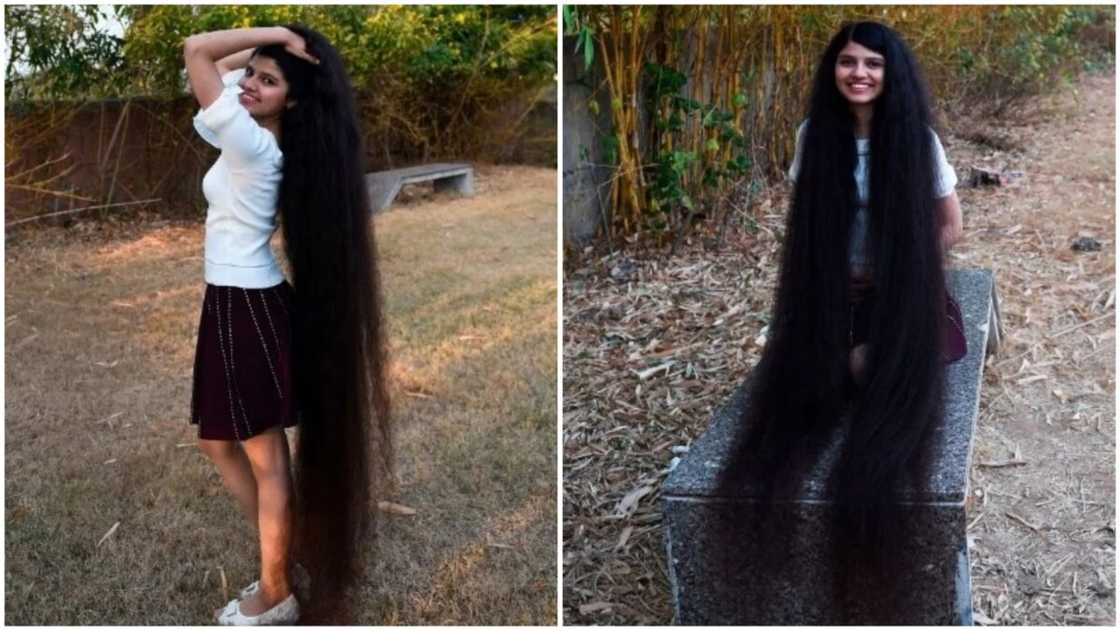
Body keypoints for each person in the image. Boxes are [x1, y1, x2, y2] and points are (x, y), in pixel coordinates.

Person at [723, 21, 964, 575]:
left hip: (898, 296)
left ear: (890, 74)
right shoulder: (815, 135)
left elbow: (951, 226)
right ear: (833, 71)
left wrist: (894, 270)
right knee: (809, 388)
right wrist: (832, 273)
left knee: (866, 373)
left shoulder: (916, 140)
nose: (859, 73)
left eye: (873, 64)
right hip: (830, 295)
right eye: (848, 62)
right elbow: (807, 228)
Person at [183, 24, 392, 625]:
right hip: (232, 300)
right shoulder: (257, 133)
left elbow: (199, 49)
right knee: (217, 442)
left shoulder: (252, 146)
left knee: (264, 455)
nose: (249, 83)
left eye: (267, 81)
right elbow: (221, 70)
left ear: (293, 100)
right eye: (253, 73)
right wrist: (289, 57)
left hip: (245, 306)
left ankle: (276, 590)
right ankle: (288, 550)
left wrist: (282, 32)